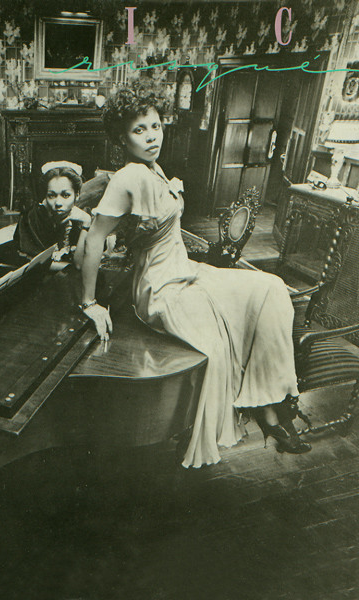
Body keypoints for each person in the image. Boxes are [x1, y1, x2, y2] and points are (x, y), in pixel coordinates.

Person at [79, 84, 310, 469]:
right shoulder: (129, 177)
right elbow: (93, 238)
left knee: (270, 288)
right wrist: (90, 303)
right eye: (139, 130)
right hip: (161, 288)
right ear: (121, 137)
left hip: (186, 270)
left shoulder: (152, 168)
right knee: (216, 343)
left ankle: (270, 406)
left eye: (155, 126)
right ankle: (256, 416)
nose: (151, 136)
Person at [1, 161, 91, 269]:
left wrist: (86, 224)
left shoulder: (82, 217)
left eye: (66, 195)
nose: (58, 203)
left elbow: (79, 263)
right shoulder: (32, 217)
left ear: (77, 195)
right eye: (51, 196)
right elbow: (37, 264)